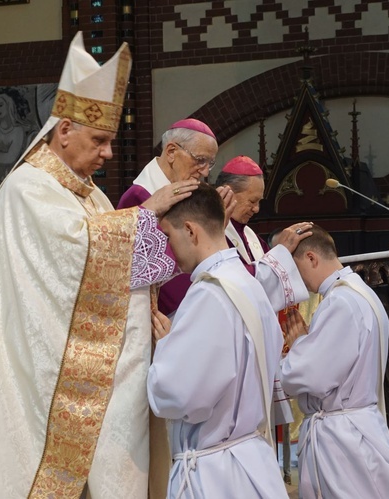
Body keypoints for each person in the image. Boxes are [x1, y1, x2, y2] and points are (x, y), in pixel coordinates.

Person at [0, 32, 202, 499]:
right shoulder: (26, 188)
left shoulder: (88, 191)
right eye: (100, 140)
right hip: (45, 371)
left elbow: (119, 261)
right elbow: (78, 257)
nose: (108, 153)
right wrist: (148, 211)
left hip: (105, 364)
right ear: (64, 130)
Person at [147, 183, 289, 498]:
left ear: (190, 231)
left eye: (169, 237)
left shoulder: (209, 294)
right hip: (249, 459)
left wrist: (167, 349)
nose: (169, 249)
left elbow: (182, 396)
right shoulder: (247, 284)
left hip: (215, 473)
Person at [280, 225, 389, 498]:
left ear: (310, 257)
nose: (294, 280)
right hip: (354, 425)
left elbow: (311, 378)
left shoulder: (340, 302)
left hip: (342, 437)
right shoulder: (359, 292)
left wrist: (296, 348)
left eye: (292, 269)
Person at [215, 155, 294, 484]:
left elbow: (264, 284)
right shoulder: (215, 231)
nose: (257, 209)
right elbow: (241, 280)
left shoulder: (249, 237)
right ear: (229, 195)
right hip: (230, 348)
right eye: (253, 201)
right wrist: (281, 253)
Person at [118, 118, 221, 317]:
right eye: (200, 160)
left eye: (210, 163)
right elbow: (139, 269)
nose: (206, 172)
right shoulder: (139, 198)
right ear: (172, 152)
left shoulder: (188, 192)